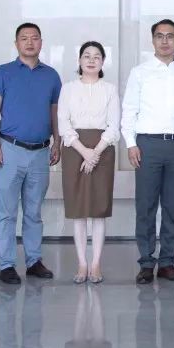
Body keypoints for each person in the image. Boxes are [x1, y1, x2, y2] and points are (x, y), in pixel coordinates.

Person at [0, 22, 62, 286]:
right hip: (10, 148)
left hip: (40, 151)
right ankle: (7, 264)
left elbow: (55, 112)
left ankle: (33, 261)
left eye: (35, 38)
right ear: (16, 43)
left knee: (34, 211)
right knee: (6, 212)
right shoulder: (3, 72)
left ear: (41, 42)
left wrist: (57, 141)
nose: (30, 42)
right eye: (24, 38)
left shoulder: (51, 75)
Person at [121, 18, 174, 285]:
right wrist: (131, 143)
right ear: (152, 40)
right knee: (146, 206)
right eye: (160, 36)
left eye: (170, 36)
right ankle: (146, 262)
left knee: (172, 206)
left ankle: (167, 263)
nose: (165, 41)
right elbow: (129, 109)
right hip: (147, 145)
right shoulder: (140, 72)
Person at [58, 40, 120, 284]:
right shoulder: (68, 89)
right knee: (79, 211)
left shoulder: (110, 89)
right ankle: (82, 263)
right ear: (79, 61)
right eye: (87, 55)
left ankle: (96, 264)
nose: (91, 60)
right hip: (75, 149)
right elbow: (63, 123)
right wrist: (85, 152)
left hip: (103, 149)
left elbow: (114, 125)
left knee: (98, 210)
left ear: (103, 62)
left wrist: (96, 152)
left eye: (97, 56)